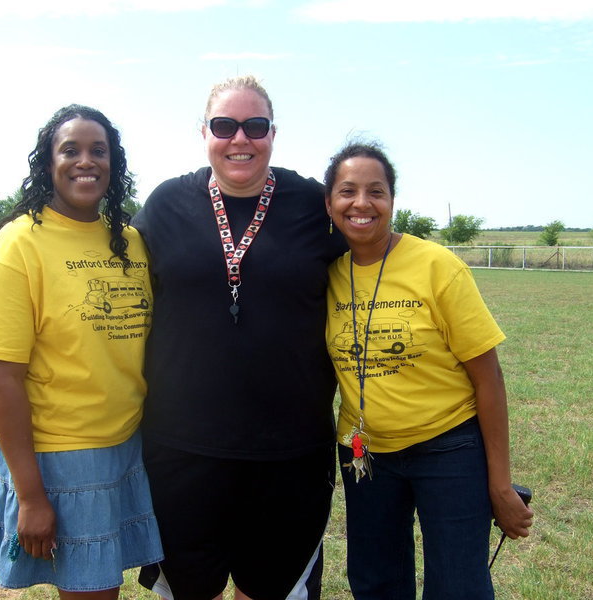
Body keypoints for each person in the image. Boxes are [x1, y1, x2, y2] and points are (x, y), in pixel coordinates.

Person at [133, 76, 348, 600]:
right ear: (203, 131)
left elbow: (375, 268)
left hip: (290, 455)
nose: (240, 140)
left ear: (273, 132)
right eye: (225, 126)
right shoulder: (165, 206)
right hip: (181, 450)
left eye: (255, 126)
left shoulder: (314, 207)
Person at [0, 104, 163, 599]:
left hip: (125, 445)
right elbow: (0, 377)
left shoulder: (132, 242)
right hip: (59, 456)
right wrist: (31, 496)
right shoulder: (18, 246)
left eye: (99, 151)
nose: (85, 161)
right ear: (47, 162)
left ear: (113, 164)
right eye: (69, 150)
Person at [323, 141, 534, 599]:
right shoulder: (328, 274)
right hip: (365, 455)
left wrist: (499, 484)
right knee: (376, 583)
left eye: (376, 191)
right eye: (348, 191)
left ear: (392, 201)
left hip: (449, 449)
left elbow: (489, 380)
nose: (361, 203)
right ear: (329, 203)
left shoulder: (438, 266)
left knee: (458, 586)